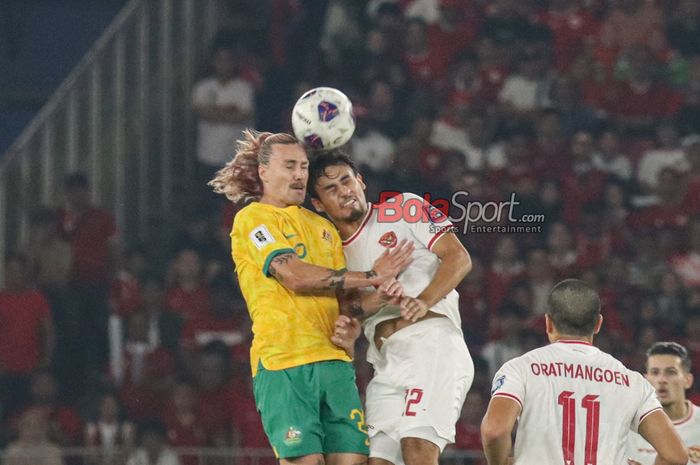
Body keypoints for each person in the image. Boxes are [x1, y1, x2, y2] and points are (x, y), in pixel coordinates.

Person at [209, 130, 412, 465]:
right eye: (289, 166)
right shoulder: (253, 220)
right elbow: (293, 275)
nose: (300, 174)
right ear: (263, 172)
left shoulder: (324, 228)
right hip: (284, 363)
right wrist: (373, 275)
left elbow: (347, 302)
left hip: (335, 363)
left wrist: (388, 294)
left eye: (303, 166)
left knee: (353, 461)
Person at [308, 151, 474, 465]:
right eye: (331, 189)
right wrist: (380, 293)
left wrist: (422, 300)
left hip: (432, 345)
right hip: (384, 363)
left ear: (361, 182)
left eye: (347, 180)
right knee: (378, 461)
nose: (344, 191)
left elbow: (459, 258)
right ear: (318, 204)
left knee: (417, 449)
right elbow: (348, 312)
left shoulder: (404, 207)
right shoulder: (330, 253)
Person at [481, 279, 688, 465]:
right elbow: (676, 456)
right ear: (598, 324)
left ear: (548, 322)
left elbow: (495, 431)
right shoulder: (632, 381)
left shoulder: (520, 369)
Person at [627, 342, 700, 465]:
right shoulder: (628, 427)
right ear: (646, 380)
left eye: (671, 372)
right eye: (655, 372)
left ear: (688, 380)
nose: (662, 380)